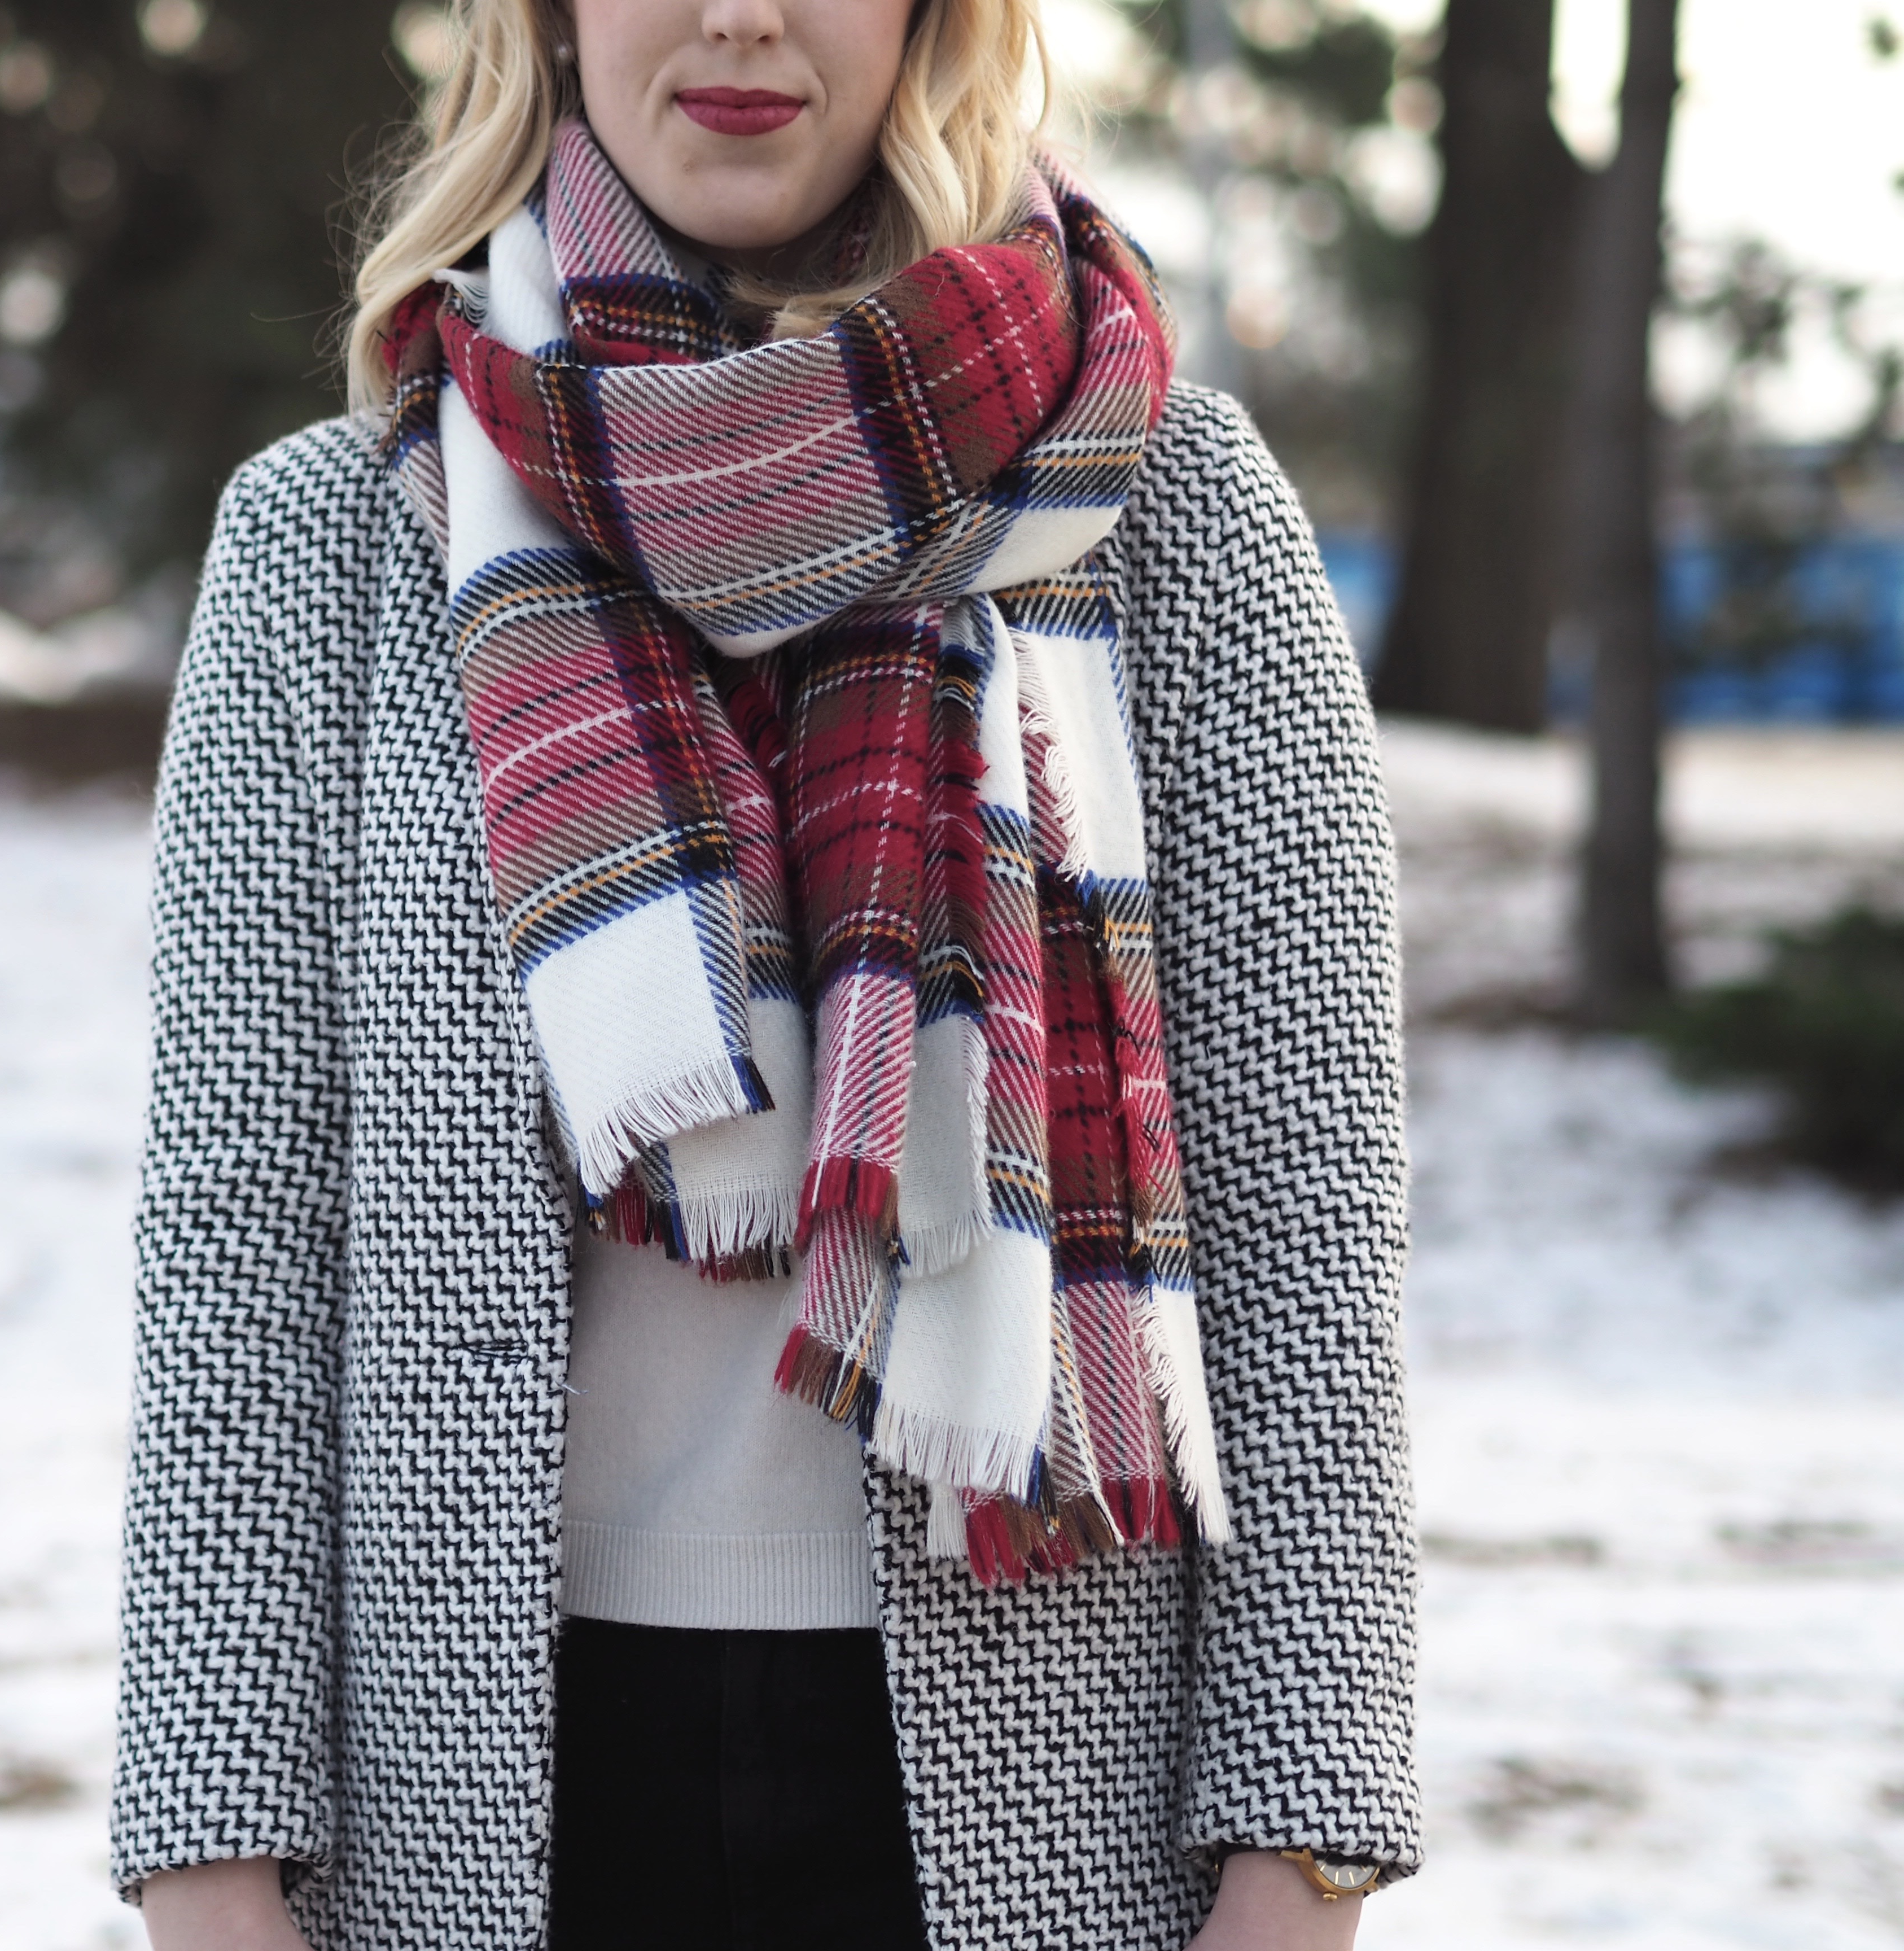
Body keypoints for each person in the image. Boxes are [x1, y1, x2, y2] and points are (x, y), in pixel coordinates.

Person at [111, 0, 1421, 1944]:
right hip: (483, 1796)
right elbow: (239, 1242)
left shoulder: (1169, 511)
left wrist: (1304, 1851)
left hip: (1049, 1789)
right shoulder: (335, 545)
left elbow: (1306, 1218)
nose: (739, 17)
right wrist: (213, 1867)